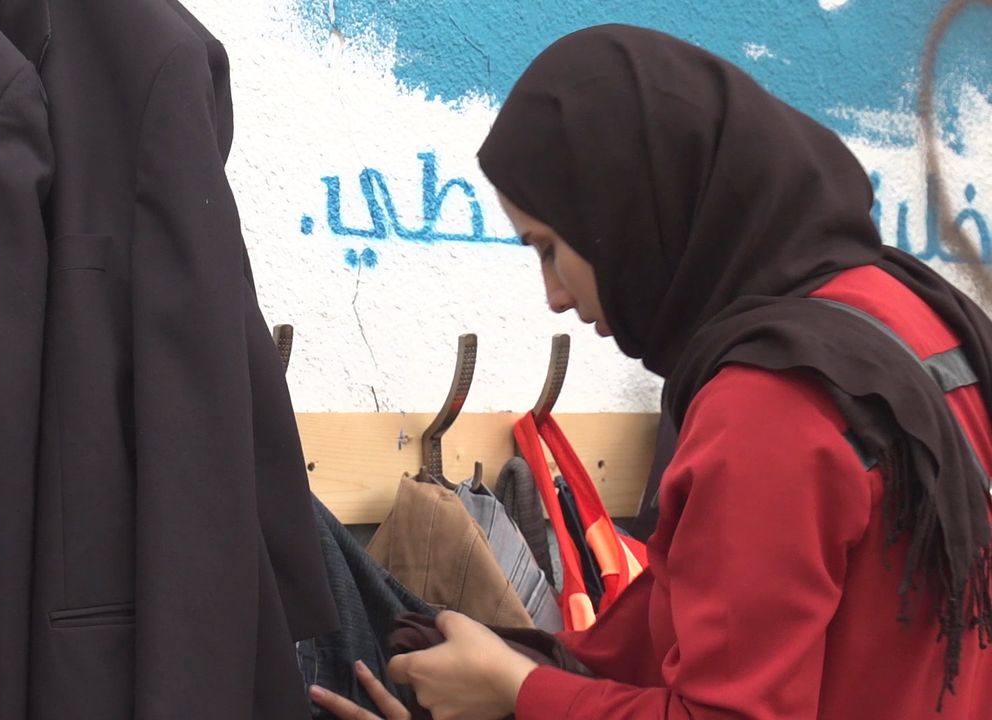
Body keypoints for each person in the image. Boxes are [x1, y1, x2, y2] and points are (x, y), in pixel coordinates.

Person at [310, 23, 992, 720]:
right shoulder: (911, 313)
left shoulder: (771, 403)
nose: (555, 295)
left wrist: (520, 691)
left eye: (550, 247)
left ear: (635, 208)